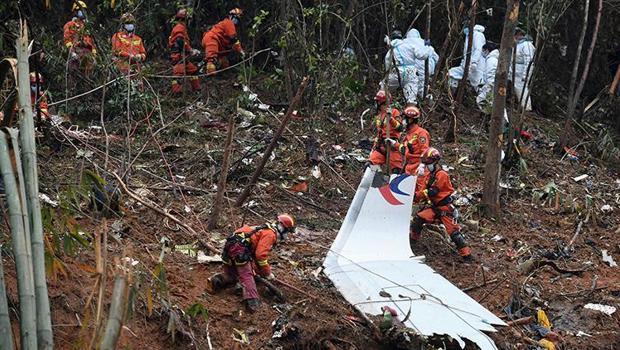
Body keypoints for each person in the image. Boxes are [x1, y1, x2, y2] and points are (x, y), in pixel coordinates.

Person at [209, 214, 296, 311]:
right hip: (239, 248)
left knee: (233, 274)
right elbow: (260, 256)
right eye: (287, 232)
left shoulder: (262, 228)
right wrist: (267, 273)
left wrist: (258, 271)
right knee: (246, 275)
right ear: (282, 228)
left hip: (231, 245)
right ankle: (252, 303)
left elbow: (254, 255)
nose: (286, 235)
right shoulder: (270, 234)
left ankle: (218, 280)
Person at [410, 148, 472, 261]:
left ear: (435, 162)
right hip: (434, 208)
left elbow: (433, 191)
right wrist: (415, 197)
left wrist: (423, 193)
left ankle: (467, 256)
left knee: (454, 234)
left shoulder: (442, 175)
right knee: (418, 219)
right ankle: (412, 242)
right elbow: (423, 190)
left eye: (428, 163)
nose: (426, 166)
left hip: (445, 208)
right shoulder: (429, 174)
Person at [382, 30, 432, 105]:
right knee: (411, 99)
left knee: (383, 89)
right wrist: (427, 45)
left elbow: (387, 65)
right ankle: (413, 113)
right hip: (411, 72)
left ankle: (381, 109)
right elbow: (423, 55)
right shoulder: (409, 46)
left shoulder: (391, 49)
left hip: (396, 72)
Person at [367, 90, 404, 173]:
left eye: (377, 101)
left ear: (381, 102)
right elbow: (379, 134)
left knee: (396, 171)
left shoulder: (394, 112)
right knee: (371, 164)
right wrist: (374, 148)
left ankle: (391, 184)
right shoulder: (379, 117)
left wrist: (391, 119)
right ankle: (377, 184)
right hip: (382, 145)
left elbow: (400, 128)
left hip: (393, 145)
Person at [201, 8, 245, 74]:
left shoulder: (227, 24)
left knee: (224, 61)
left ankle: (223, 75)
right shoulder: (229, 22)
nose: (236, 21)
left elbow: (229, 41)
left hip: (218, 43)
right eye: (236, 18)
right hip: (212, 39)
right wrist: (240, 50)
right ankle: (210, 76)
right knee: (211, 59)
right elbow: (233, 38)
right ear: (231, 16)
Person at [168, 9, 201, 94]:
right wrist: (190, 50)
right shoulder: (179, 28)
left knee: (193, 71)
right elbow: (180, 41)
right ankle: (177, 94)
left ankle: (196, 90)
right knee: (178, 76)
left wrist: (191, 50)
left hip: (183, 57)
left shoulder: (182, 28)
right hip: (178, 56)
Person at [63, 1, 96, 76]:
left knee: (88, 79)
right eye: (81, 10)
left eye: (84, 10)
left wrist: (94, 54)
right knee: (75, 77)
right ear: (75, 12)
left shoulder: (87, 27)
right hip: (77, 54)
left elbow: (92, 42)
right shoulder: (70, 25)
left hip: (88, 55)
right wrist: (72, 53)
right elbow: (67, 40)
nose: (83, 12)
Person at [449, 24, 486, 90]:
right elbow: (466, 53)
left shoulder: (477, 35)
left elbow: (478, 49)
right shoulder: (468, 35)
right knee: (452, 73)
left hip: (476, 66)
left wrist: (474, 62)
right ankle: (452, 94)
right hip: (467, 65)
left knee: (478, 85)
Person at [405, 29, 439, 100]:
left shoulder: (404, 42)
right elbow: (436, 57)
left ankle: (413, 100)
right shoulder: (425, 41)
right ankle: (426, 100)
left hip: (412, 69)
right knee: (422, 87)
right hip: (427, 69)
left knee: (411, 85)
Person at [399, 105, 430, 175]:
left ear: (411, 120)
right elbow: (404, 150)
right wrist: (395, 144)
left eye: (405, 118)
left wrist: (422, 165)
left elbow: (425, 151)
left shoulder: (421, 133)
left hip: (418, 168)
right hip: (409, 167)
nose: (403, 120)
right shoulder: (408, 133)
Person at [513, 28, 535, 111]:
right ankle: (521, 106)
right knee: (517, 89)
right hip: (516, 70)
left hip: (521, 71)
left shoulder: (527, 45)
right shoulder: (518, 44)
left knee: (522, 89)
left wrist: (526, 74)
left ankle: (526, 108)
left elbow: (529, 61)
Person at [476, 42, 499, 112]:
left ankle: (489, 116)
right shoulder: (494, 59)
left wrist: (488, 87)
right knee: (497, 103)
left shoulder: (491, 60)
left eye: (483, 50)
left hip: (491, 86)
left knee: (481, 100)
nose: (482, 52)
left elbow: (491, 74)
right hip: (494, 85)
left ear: (487, 50)